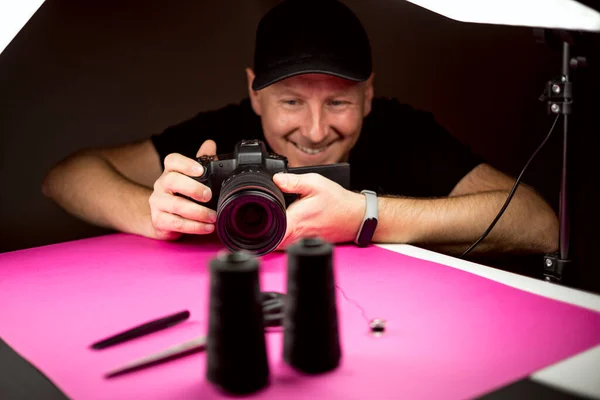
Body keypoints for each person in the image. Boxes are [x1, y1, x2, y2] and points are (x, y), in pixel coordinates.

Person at [42, 0, 558, 257]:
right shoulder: (222, 134)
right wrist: (155, 214)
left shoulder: (403, 130)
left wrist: (367, 217)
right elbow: (65, 175)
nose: (315, 130)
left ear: (369, 94)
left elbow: (540, 223)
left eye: (338, 101)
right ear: (254, 94)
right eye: (291, 101)